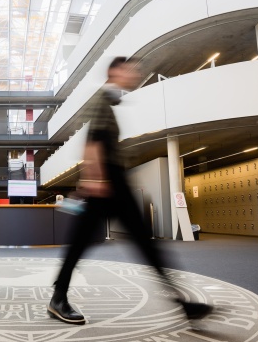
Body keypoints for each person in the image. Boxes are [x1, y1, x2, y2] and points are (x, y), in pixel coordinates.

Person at [47, 57, 213, 325]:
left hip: (111, 182)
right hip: (107, 183)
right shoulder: (102, 100)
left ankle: (182, 303)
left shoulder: (109, 101)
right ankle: (58, 298)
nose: (136, 74)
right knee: (88, 243)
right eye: (131, 69)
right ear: (115, 71)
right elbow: (92, 143)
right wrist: (96, 181)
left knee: (140, 242)